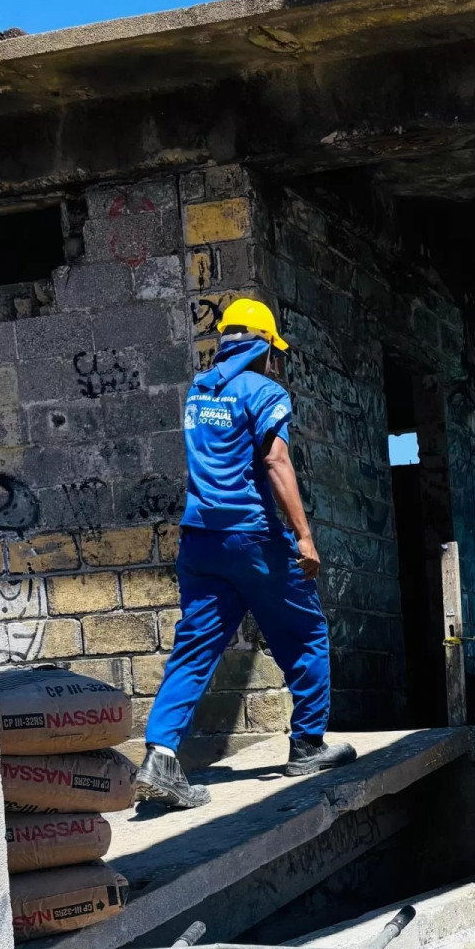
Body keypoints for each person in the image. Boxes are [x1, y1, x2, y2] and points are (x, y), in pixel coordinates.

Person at [133, 298, 355, 810]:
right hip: (251, 539)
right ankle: (307, 744)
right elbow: (276, 461)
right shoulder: (265, 391)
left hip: (199, 540)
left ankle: (161, 757)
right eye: (274, 352)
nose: (276, 361)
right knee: (306, 633)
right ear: (263, 349)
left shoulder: (199, 391)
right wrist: (303, 537)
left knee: (195, 647)